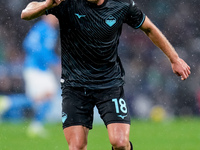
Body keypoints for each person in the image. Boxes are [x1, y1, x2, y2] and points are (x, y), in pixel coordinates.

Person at [21, 0, 191, 149]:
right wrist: (45, 5)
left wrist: (174, 59)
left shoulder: (122, 5)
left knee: (120, 142)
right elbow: (26, 14)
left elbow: (149, 28)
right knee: (76, 146)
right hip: (75, 86)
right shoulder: (67, 2)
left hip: (109, 85)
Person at [22, 14, 60, 137]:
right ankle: (10, 102)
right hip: (34, 68)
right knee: (39, 98)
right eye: (54, 16)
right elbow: (28, 44)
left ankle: (36, 125)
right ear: (46, 16)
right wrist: (52, 61)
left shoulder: (51, 31)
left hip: (42, 69)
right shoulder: (41, 28)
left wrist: (53, 61)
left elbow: (46, 50)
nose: (56, 19)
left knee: (47, 96)